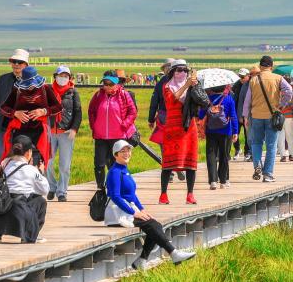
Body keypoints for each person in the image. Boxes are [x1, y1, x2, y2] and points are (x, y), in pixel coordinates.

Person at [104, 140, 195, 269]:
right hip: (117, 214)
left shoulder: (124, 170)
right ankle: (173, 253)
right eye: (122, 151)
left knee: (155, 225)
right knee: (152, 225)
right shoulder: (114, 172)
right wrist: (134, 212)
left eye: (128, 151)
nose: (126, 154)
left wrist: (142, 210)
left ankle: (141, 260)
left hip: (127, 211)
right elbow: (115, 196)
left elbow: (132, 195)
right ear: (115, 155)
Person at [149, 60, 207, 204]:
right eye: (179, 70)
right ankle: (163, 194)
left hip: (189, 127)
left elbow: (201, 102)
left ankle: (190, 194)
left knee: (191, 161)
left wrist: (195, 86)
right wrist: (186, 85)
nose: (182, 73)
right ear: (172, 72)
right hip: (172, 127)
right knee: (168, 162)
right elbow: (171, 100)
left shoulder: (191, 85)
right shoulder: (167, 86)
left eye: (185, 70)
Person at [0, 137, 49, 244]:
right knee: (41, 201)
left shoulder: (4, 163)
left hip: (1, 206)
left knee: (5, 196)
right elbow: (45, 190)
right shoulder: (31, 170)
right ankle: (29, 235)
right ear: (28, 153)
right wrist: (40, 172)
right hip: (20, 209)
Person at [242, 56, 292, 183]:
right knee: (271, 145)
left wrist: (245, 116)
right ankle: (268, 174)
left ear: (260, 66)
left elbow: (247, 100)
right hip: (272, 116)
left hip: (256, 116)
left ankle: (257, 164)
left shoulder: (253, 80)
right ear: (271, 66)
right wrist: (282, 104)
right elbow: (289, 91)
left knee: (256, 143)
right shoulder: (278, 78)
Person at [0, 66, 60, 168]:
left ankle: (37, 177)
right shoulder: (17, 90)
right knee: (18, 162)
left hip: (39, 132)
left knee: (37, 164)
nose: (30, 87)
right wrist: (15, 113)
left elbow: (58, 107)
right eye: (27, 85)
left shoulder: (45, 88)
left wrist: (44, 111)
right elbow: (3, 107)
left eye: (32, 84)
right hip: (19, 132)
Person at [88, 71, 138, 188]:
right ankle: (100, 188)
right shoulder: (98, 95)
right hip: (100, 136)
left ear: (117, 84)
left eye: (111, 84)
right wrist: (94, 126)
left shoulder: (124, 95)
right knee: (99, 164)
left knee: (115, 163)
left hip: (118, 136)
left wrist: (124, 124)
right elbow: (91, 111)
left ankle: (115, 188)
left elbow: (132, 112)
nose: (108, 86)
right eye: (105, 84)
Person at [0, 49, 29, 164]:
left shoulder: (32, 82)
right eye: (14, 61)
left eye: (20, 62)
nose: (16, 64)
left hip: (23, 129)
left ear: (26, 64)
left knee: (20, 162)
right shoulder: (2, 79)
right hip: (3, 128)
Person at [47, 65, 81, 202]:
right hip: (50, 131)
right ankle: (51, 186)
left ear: (69, 78)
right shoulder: (48, 90)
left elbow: (78, 112)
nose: (63, 78)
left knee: (65, 165)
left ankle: (62, 191)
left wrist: (74, 129)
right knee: (47, 162)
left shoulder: (73, 92)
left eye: (66, 76)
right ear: (55, 76)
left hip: (66, 132)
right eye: (60, 75)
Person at [199, 83, 238, 188]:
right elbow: (233, 116)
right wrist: (235, 131)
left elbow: (201, 115)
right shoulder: (229, 99)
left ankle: (213, 181)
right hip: (226, 131)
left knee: (211, 155)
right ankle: (223, 181)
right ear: (224, 87)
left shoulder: (207, 99)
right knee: (224, 155)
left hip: (211, 131)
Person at [231, 68, 251, 158]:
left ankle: (247, 151)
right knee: (235, 132)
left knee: (248, 134)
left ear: (248, 76)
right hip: (237, 112)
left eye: (243, 77)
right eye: (240, 77)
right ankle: (237, 149)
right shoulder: (236, 85)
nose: (241, 79)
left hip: (248, 113)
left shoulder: (251, 85)